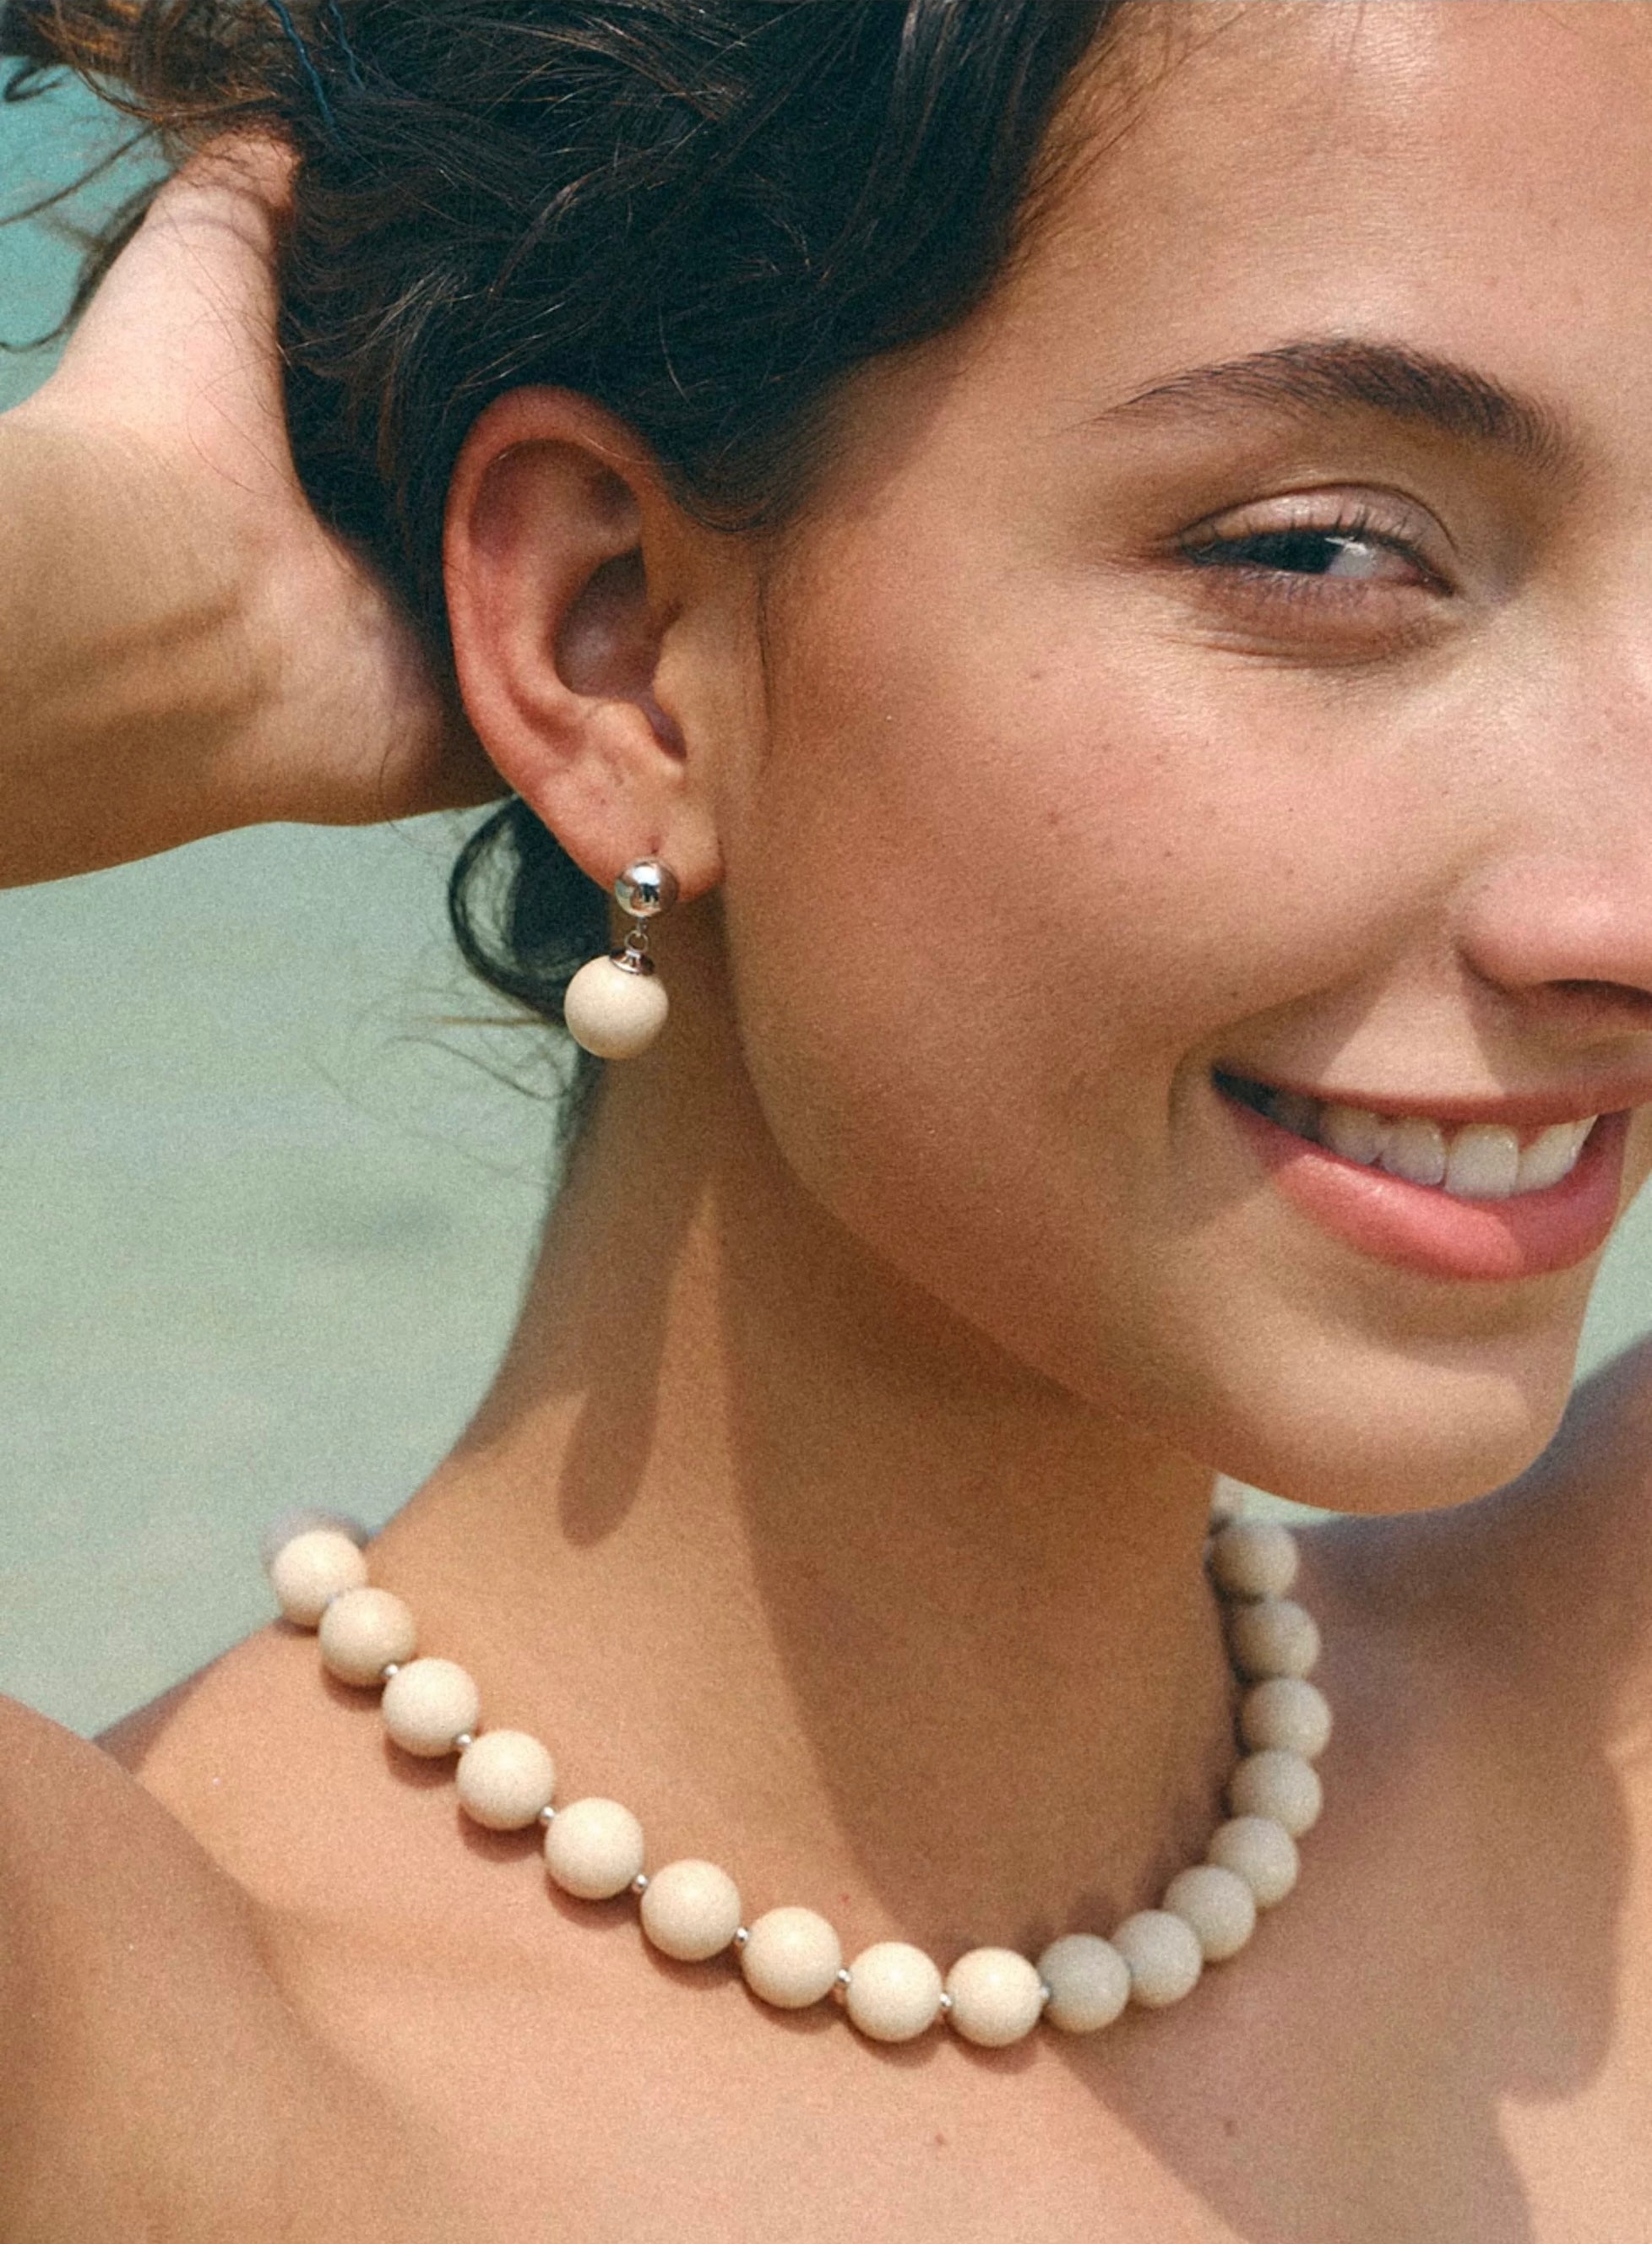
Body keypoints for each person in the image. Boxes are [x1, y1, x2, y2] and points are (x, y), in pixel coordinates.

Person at [3, 0, 1650, 2232]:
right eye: (1328, 553)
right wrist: (143, 597)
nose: (1624, 909)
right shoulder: (110, 2065)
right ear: (610, 635)